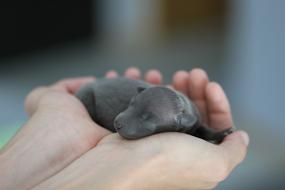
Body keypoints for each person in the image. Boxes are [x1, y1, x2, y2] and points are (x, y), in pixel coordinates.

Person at [0, 68, 249, 190]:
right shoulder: (155, 107)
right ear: (138, 95)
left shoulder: (188, 117)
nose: (122, 120)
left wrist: (213, 136)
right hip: (94, 98)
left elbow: (200, 129)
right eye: (132, 106)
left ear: (182, 124)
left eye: (145, 118)